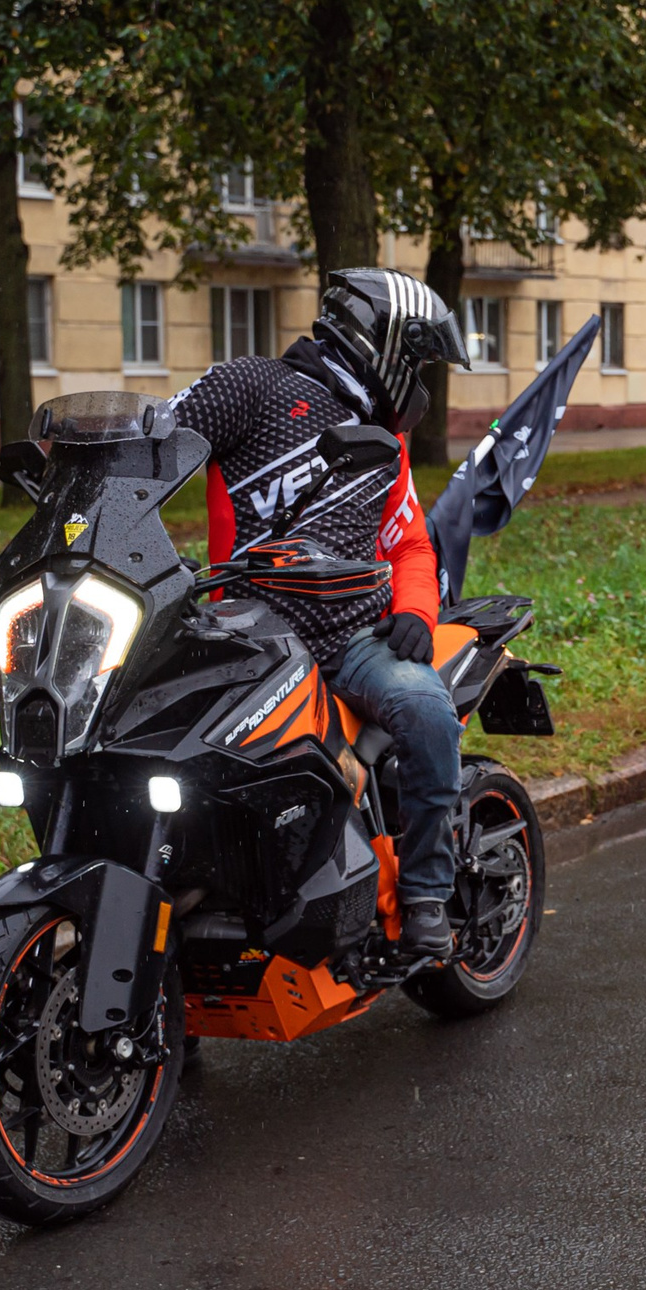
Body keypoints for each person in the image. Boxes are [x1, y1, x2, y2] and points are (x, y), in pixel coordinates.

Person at [170, 269, 471, 958]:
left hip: (351, 641)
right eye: (419, 361)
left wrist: (419, 613)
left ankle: (425, 894)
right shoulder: (254, 386)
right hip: (243, 639)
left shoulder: (382, 442)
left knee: (426, 707)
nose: (422, 383)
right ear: (386, 345)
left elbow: (412, 544)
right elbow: (154, 443)